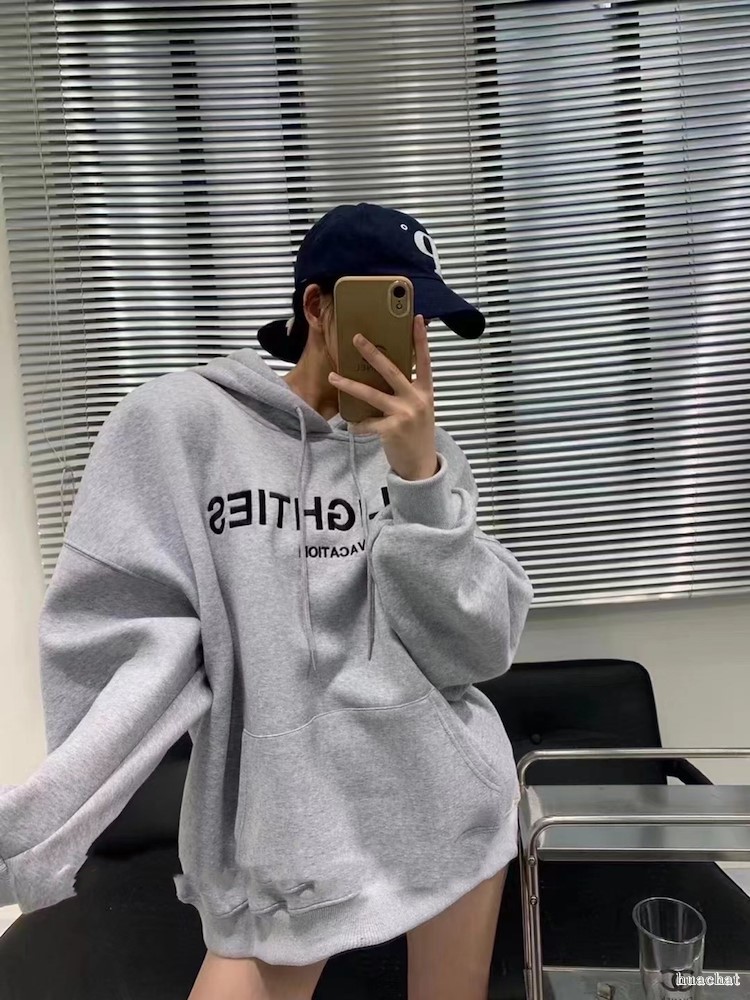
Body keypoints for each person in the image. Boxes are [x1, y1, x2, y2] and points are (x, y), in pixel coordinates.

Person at [0, 202, 534, 1000]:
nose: (414, 336)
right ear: (318, 306)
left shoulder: (425, 453)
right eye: (395, 309)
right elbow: (115, 621)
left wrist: (419, 480)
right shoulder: (185, 425)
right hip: (290, 825)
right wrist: (47, 819)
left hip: (451, 804)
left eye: (423, 318)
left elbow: (477, 650)